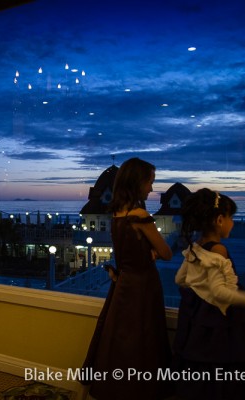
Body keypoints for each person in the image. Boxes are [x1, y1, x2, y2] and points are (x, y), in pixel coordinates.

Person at [81, 157, 174, 400]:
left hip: (123, 284)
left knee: (121, 340)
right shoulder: (139, 215)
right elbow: (166, 252)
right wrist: (153, 252)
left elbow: (127, 251)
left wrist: (146, 252)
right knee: (144, 340)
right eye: (149, 182)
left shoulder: (117, 215)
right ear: (137, 183)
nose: (152, 188)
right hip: (143, 285)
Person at [172, 188, 245, 400]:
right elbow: (220, 293)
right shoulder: (218, 250)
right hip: (222, 325)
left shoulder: (196, 247)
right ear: (220, 220)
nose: (233, 223)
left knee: (203, 382)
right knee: (228, 381)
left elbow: (179, 280)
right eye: (231, 218)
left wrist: (200, 288)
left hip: (200, 321)